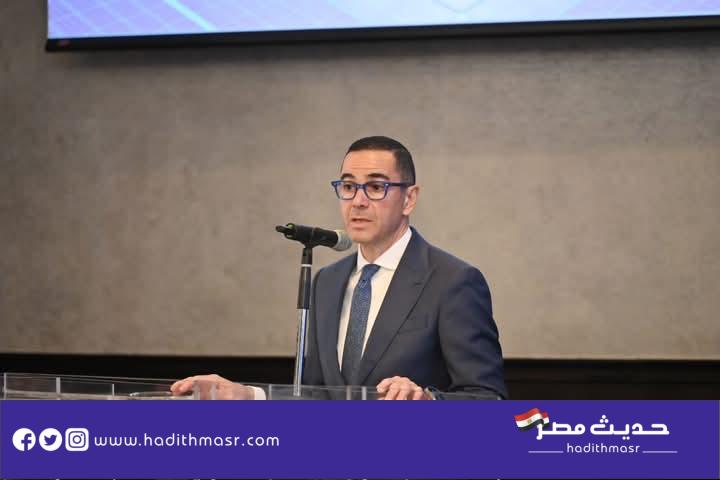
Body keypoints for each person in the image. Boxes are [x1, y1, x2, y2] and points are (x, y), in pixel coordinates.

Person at [172, 136, 507, 400]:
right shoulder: (327, 282)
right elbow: (318, 396)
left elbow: (488, 398)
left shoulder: (453, 281)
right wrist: (248, 395)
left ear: (409, 199)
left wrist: (428, 400)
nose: (358, 201)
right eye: (348, 187)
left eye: (375, 187)